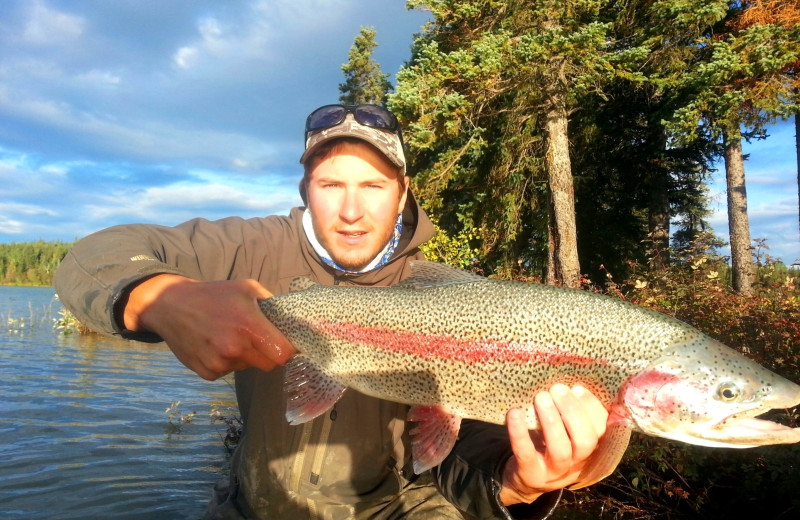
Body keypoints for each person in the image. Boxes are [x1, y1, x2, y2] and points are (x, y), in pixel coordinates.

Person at [54, 103, 609, 520]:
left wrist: (519, 485)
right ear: (305, 187)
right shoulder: (248, 248)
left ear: (403, 192)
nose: (350, 210)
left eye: (372, 185)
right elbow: (88, 259)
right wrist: (156, 296)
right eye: (330, 184)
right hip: (255, 504)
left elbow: (461, 468)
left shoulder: (455, 298)